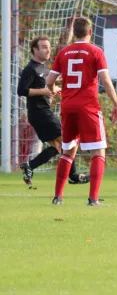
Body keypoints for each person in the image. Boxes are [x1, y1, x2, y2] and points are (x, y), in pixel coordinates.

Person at [46, 17, 117, 206]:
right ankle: (93, 199)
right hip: (88, 106)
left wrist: (59, 87)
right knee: (98, 151)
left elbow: (49, 81)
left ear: (74, 32)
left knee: (68, 151)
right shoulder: (96, 51)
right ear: (90, 31)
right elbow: (105, 80)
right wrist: (115, 102)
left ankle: (57, 197)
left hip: (68, 106)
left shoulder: (64, 52)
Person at [17, 36, 89, 186]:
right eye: (43, 47)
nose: (48, 49)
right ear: (35, 50)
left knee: (58, 147)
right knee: (68, 141)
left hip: (43, 112)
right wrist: (45, 91)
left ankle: (30, 166)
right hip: (39, 113)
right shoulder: (30, 69)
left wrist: (62, 82)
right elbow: (21, 90)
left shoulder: (44, 68)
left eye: (48, 47)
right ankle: (73, 175)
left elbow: (48, 83)